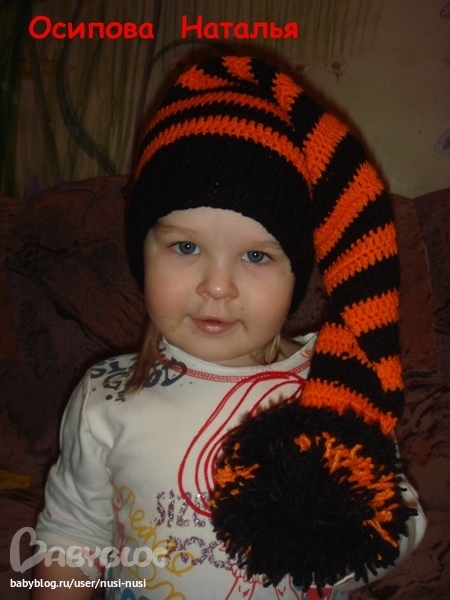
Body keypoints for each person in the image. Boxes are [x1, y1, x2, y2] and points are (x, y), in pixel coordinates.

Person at [33, 55, 426, 600]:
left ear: (297, 275)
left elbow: (400, 523)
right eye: (185, 247)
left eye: (257, 256)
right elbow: (72, 536)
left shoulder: (340, 389)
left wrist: (328, 532)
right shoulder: (106, 397)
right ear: (141, 253)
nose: (217, 287)